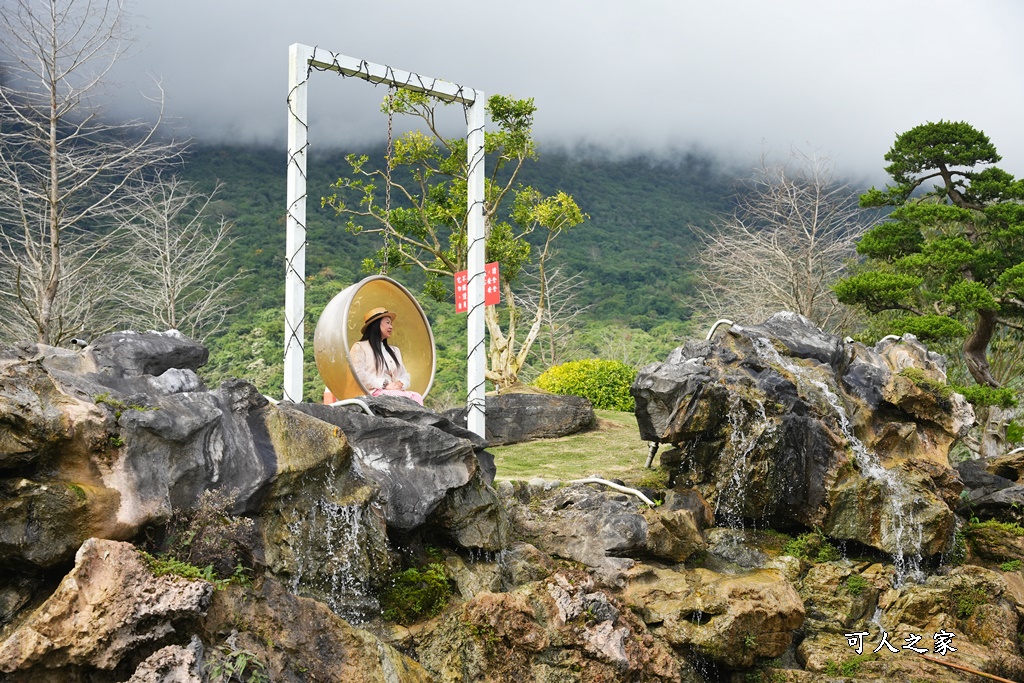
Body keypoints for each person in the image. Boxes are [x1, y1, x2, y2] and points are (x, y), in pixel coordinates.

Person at [350, 307, 424, 405]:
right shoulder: (360, 347)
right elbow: (358, 374)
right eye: (387, 323)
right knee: (399, 399)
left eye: (391, 324)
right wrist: (384, 385)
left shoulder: (395, 351)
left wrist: (399, 384)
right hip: (372, 393)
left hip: (394, 392)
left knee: (416, 396)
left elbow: (404, 374)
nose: (391, 327)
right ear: (375, 325)